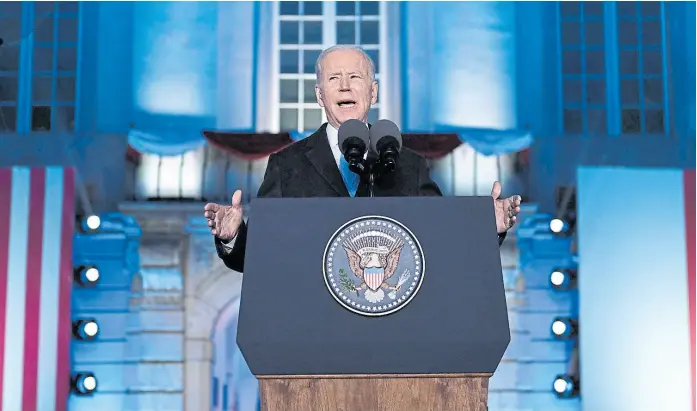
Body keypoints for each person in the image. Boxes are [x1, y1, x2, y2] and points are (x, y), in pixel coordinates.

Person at [204, 45, 522, 273]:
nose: (344, 85)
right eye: (333, 79)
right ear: (319, 96)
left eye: (355, 77)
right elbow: (259, 258)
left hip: (394, 333)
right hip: (313, 332)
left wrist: (488, 229)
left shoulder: (408, 164)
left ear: (373, 92)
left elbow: (440, 245)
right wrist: (234, 235)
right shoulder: (287, 165)